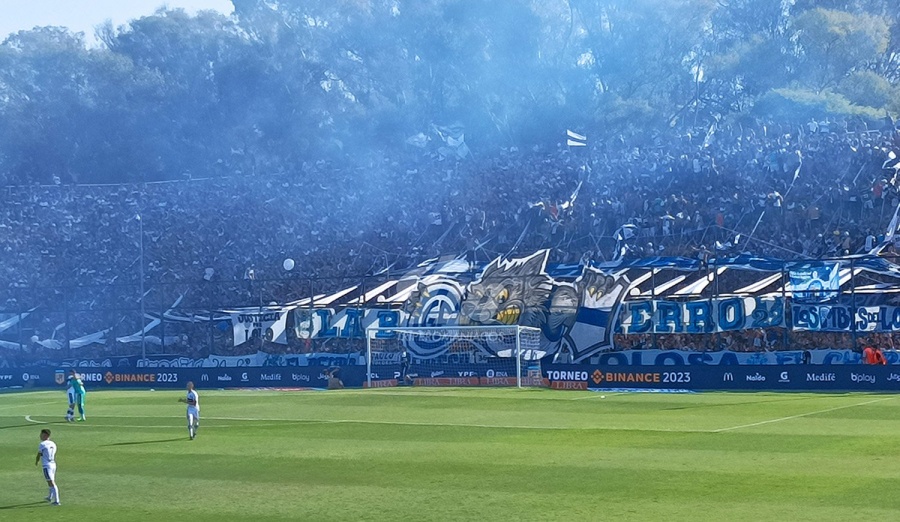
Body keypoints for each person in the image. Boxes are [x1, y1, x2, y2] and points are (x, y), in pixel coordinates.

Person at [35, 428, 60, 506]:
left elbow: (39, 454)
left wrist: (37, 461)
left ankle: (57, 501)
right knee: (50, 481)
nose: (40, 436)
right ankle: (50, 497)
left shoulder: (42, 444)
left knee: (51, 482)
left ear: (45, 435)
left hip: (46, 465)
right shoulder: (53, 443)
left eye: (41, 434)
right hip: (53, 464)